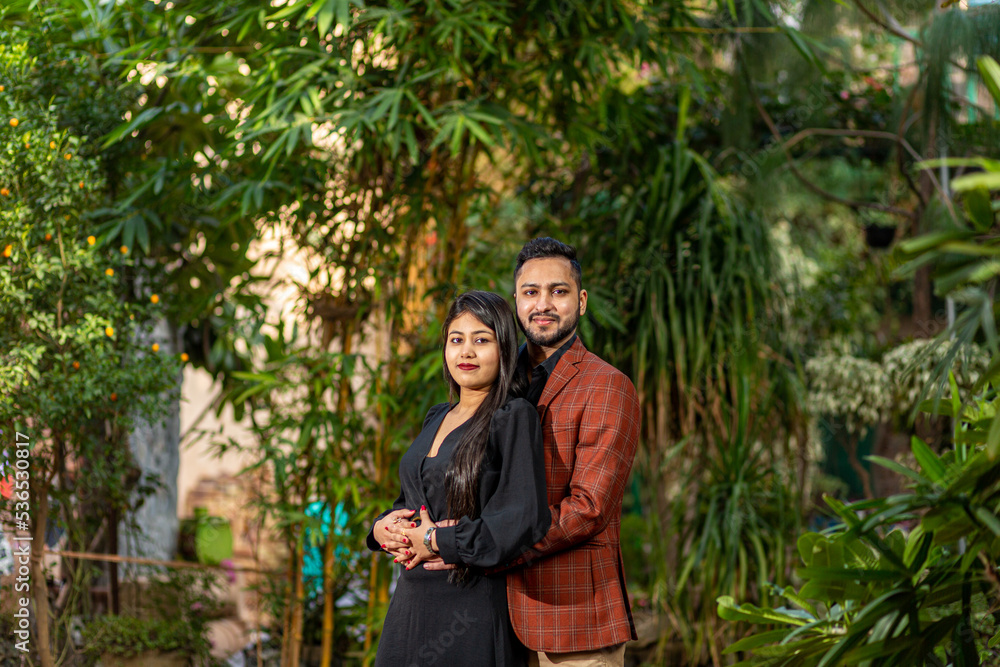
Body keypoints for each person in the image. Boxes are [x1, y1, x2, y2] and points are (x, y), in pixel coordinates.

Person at [427, 238, 640, 666]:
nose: (543, 304)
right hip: (486, 617)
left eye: (558, 292)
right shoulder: (492, 380)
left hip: (571, 622)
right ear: (516, 301)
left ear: (580, 302)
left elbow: (588, 508)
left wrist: (483, 545)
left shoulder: (607, 385)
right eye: (530, 292)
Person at [367, 290, 551, 667]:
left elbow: (521, 519)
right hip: (411, 602)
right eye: (456, 340)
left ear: (503, 349)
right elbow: (415, 502)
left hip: (470, 604)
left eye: (481, 340)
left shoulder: (513, 416)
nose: (466, 352)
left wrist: (438, 540)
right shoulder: (436, 415)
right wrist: (383, 528)